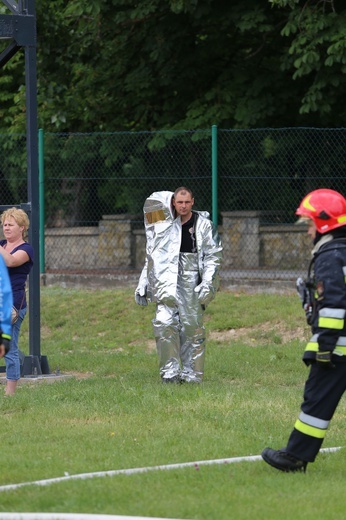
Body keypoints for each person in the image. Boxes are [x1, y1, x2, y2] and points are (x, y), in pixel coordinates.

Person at [262, 188, 346, 473]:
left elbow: (334, 305)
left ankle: (295, 458)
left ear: (324, 224)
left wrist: (324, 345)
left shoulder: (330, 256)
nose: (308, 230)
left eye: (310, 223)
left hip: (338, 348)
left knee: (317, 400)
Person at [135, 187, 223, 383]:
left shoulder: (204, 226)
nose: (183, 206)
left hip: (191, 280)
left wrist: (208, 283)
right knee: (164, 324)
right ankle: (170, 374)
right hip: (165, 282)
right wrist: (144, 282)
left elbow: (213, 257)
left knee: (192, 328)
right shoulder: (164, 226)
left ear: (193, 202)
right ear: (173, 203)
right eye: (179, 202)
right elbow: (153, 256)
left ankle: (193, 375)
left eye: (187, 202)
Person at [0, 208, 34, 396]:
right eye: (4, 224)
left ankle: (10, 393)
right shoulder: (1, 244)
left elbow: (11, 262)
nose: (6, 227)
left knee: (9, 348)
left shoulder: (26, 249)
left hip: (13, 304)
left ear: (22, 228)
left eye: (10, 224)